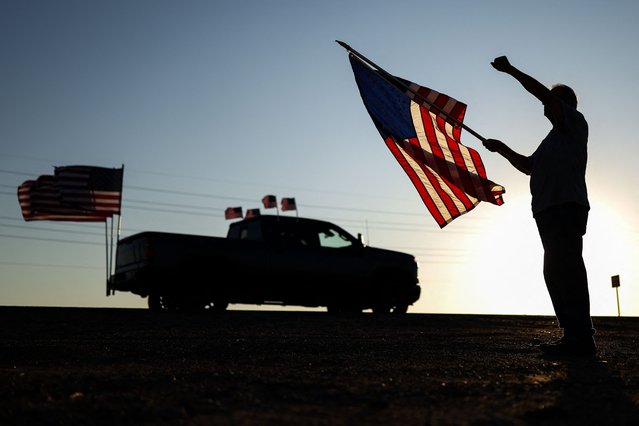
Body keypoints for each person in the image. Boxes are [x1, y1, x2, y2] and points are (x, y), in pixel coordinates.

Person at [483, 56, 596, 357]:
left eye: (551, 100)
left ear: (563, 104)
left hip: (565, 207)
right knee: (555, 271)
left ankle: (581, 338)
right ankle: (573, 334)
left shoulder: (574, 121)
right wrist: (501, 148)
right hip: (548, 211)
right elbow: (529, 166)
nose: (545, 105)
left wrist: (511, 71)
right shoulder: (551, 140)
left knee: (567, 268)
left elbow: (542, 94)